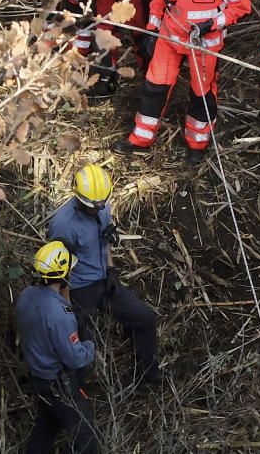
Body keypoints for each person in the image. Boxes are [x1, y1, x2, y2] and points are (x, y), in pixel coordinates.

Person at [111, 0, 252, 164]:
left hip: (204, 43)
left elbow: (241, 6)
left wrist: (212, 24)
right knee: (154, 87)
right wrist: (152, 30)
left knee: (202, 93)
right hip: (169, 37)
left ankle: (197, 144)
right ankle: (141, 138)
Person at [47, 164, 161, 388]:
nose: (98, 208)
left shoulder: (100, 205)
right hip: (79, 288)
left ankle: (147, 377)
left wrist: (111, 271)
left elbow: (104, 240)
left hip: (104, 280)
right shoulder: (63, 225)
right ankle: (76, 392)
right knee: (79, 341)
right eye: (93, 206)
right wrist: (68, 307)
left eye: (101, 204)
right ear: (79, 198)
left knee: (144, 318)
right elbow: (59, 271)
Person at [15, 240, 100, 454]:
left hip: (39, 377)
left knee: (47, 425)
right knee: (85, 434)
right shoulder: (59, 315)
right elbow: (75, 358)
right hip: (58, 383)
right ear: (63, 275)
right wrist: (90, 346)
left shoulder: (26, 296)